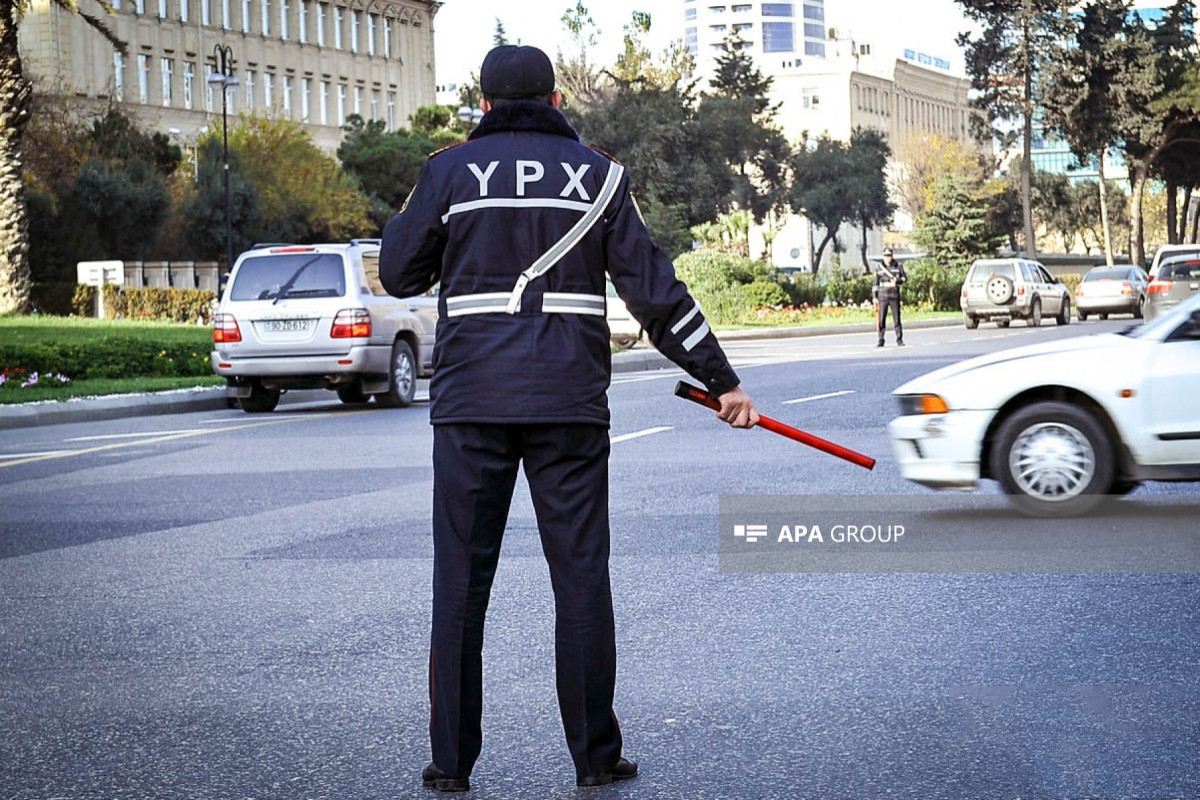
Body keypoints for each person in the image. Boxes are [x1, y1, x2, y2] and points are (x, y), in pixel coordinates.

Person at [378, 44, 759, 793]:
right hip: (570, 406)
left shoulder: (448, 172)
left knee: (460, 585)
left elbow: (398, 273)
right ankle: (595, 758)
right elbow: (656, 293)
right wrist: (721, 381)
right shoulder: (600, 175)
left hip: (470, 406)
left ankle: (450, 764)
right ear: (557, 101)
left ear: (482, 105)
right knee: (581, 581)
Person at [873, 248, 907, 347]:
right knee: (881, 319)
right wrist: (875, 297)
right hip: (883, 296)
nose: (888, 258)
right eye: (886, 256)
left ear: (892, 256)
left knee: (897, 319)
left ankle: (899, 339)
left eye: (889, 256)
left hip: (894, 295)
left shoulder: (898, 266)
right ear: (883, 256)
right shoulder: (879, 268)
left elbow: (904, 279)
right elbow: (875, 284)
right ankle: (881, 339)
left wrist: (898, 280)